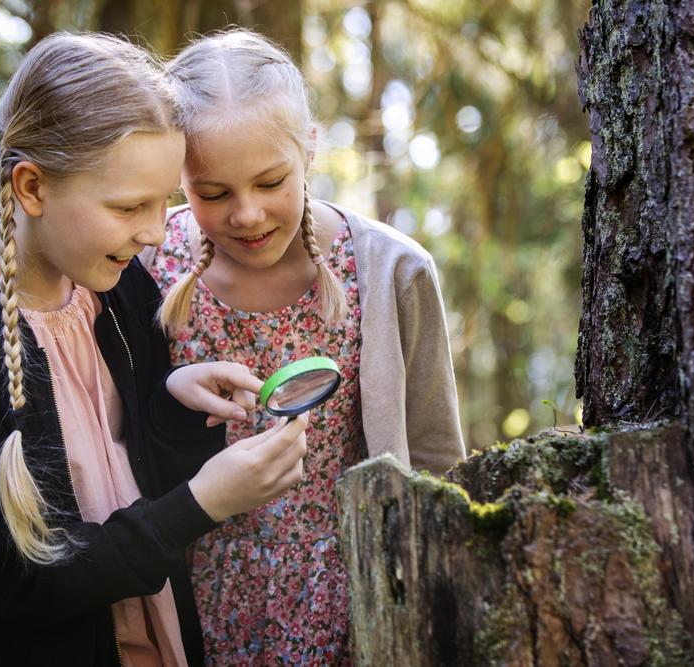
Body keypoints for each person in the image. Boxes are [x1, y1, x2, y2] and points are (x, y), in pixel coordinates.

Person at [0, 32, 309, 667]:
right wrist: (202, 503)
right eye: (128, 206)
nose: (152, 232)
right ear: (31, 188)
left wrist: (178, 402)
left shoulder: (115, 287)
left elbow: (130, 468)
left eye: (164, 202)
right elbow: (23, 580)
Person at [143, 29, 465, 665]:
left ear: (310, 146)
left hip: (348, 614)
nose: (248, 214)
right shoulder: (146, 265)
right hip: (187, 616)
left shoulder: (391, 272)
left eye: (270, 182)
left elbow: (435, 463)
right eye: (212, 193)